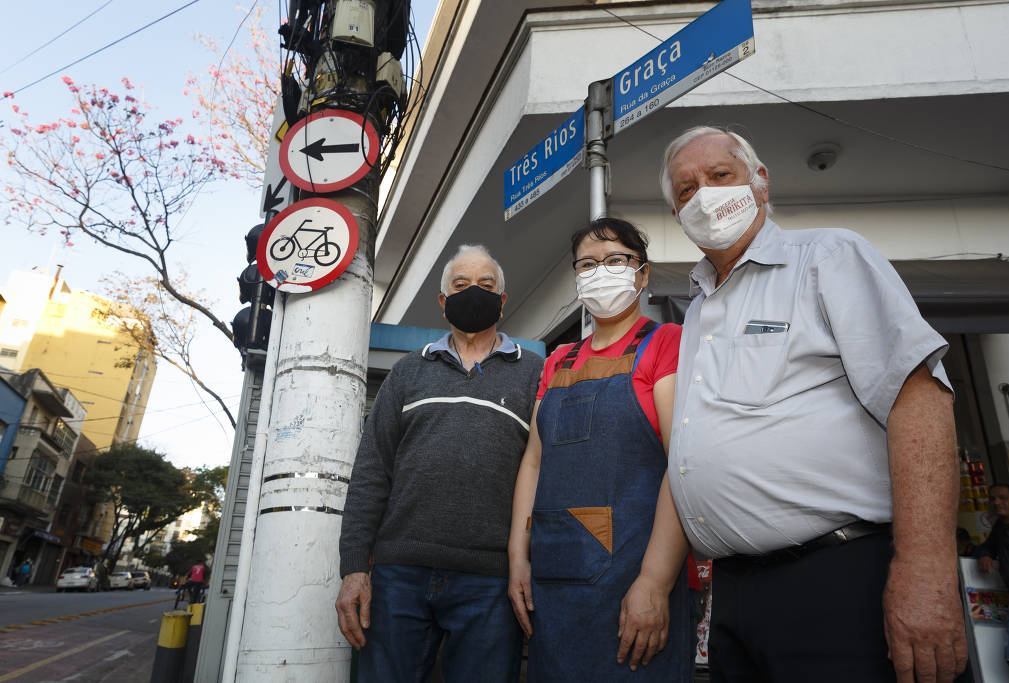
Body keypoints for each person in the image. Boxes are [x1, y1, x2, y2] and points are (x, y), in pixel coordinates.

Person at [660, 125, 966, 682]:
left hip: (839, 578)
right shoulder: (698, 311)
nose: (703, 194)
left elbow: (917, 398)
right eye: (685, 190)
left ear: (760, 181)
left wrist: (926, 567)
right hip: (735, 595)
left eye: (719, 176)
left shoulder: (828, 256)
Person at [336, 244, 543, 682]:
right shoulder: (409, 371)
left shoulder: (535, 373)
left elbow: (545, 471)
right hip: (398, 578)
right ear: (442, 300)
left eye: (486, 286)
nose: (473, 293)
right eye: (461, 284)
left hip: (491, 583)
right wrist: (355, 567)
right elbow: (372, 470)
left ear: (502, 302)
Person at [508, 218, 694, 681]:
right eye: (588, 264)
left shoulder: (666, 343)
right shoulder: (558, 360)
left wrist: (655, 582)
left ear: (643, 274)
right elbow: (534, 460)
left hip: (634, 582)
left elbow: (683, 465)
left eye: (616, 260)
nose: (601, 271)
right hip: (553, 585)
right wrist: (517, 556)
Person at [977, 484, 1009, 680]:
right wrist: (985, 555)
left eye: (1003, 498)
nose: (996, 502)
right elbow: (985, 547)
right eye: (993, 499)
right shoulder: (1000, 528)